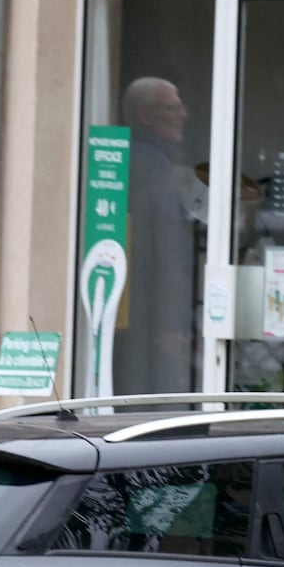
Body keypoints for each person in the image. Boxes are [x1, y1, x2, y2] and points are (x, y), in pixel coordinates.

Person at [110, 76, 204, 396]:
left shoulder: (138, 157)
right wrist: (171, 324)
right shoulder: (150, 163)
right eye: (171, 108)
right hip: (150, 320)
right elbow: (166, 250)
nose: (183, 115)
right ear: (146, 116)